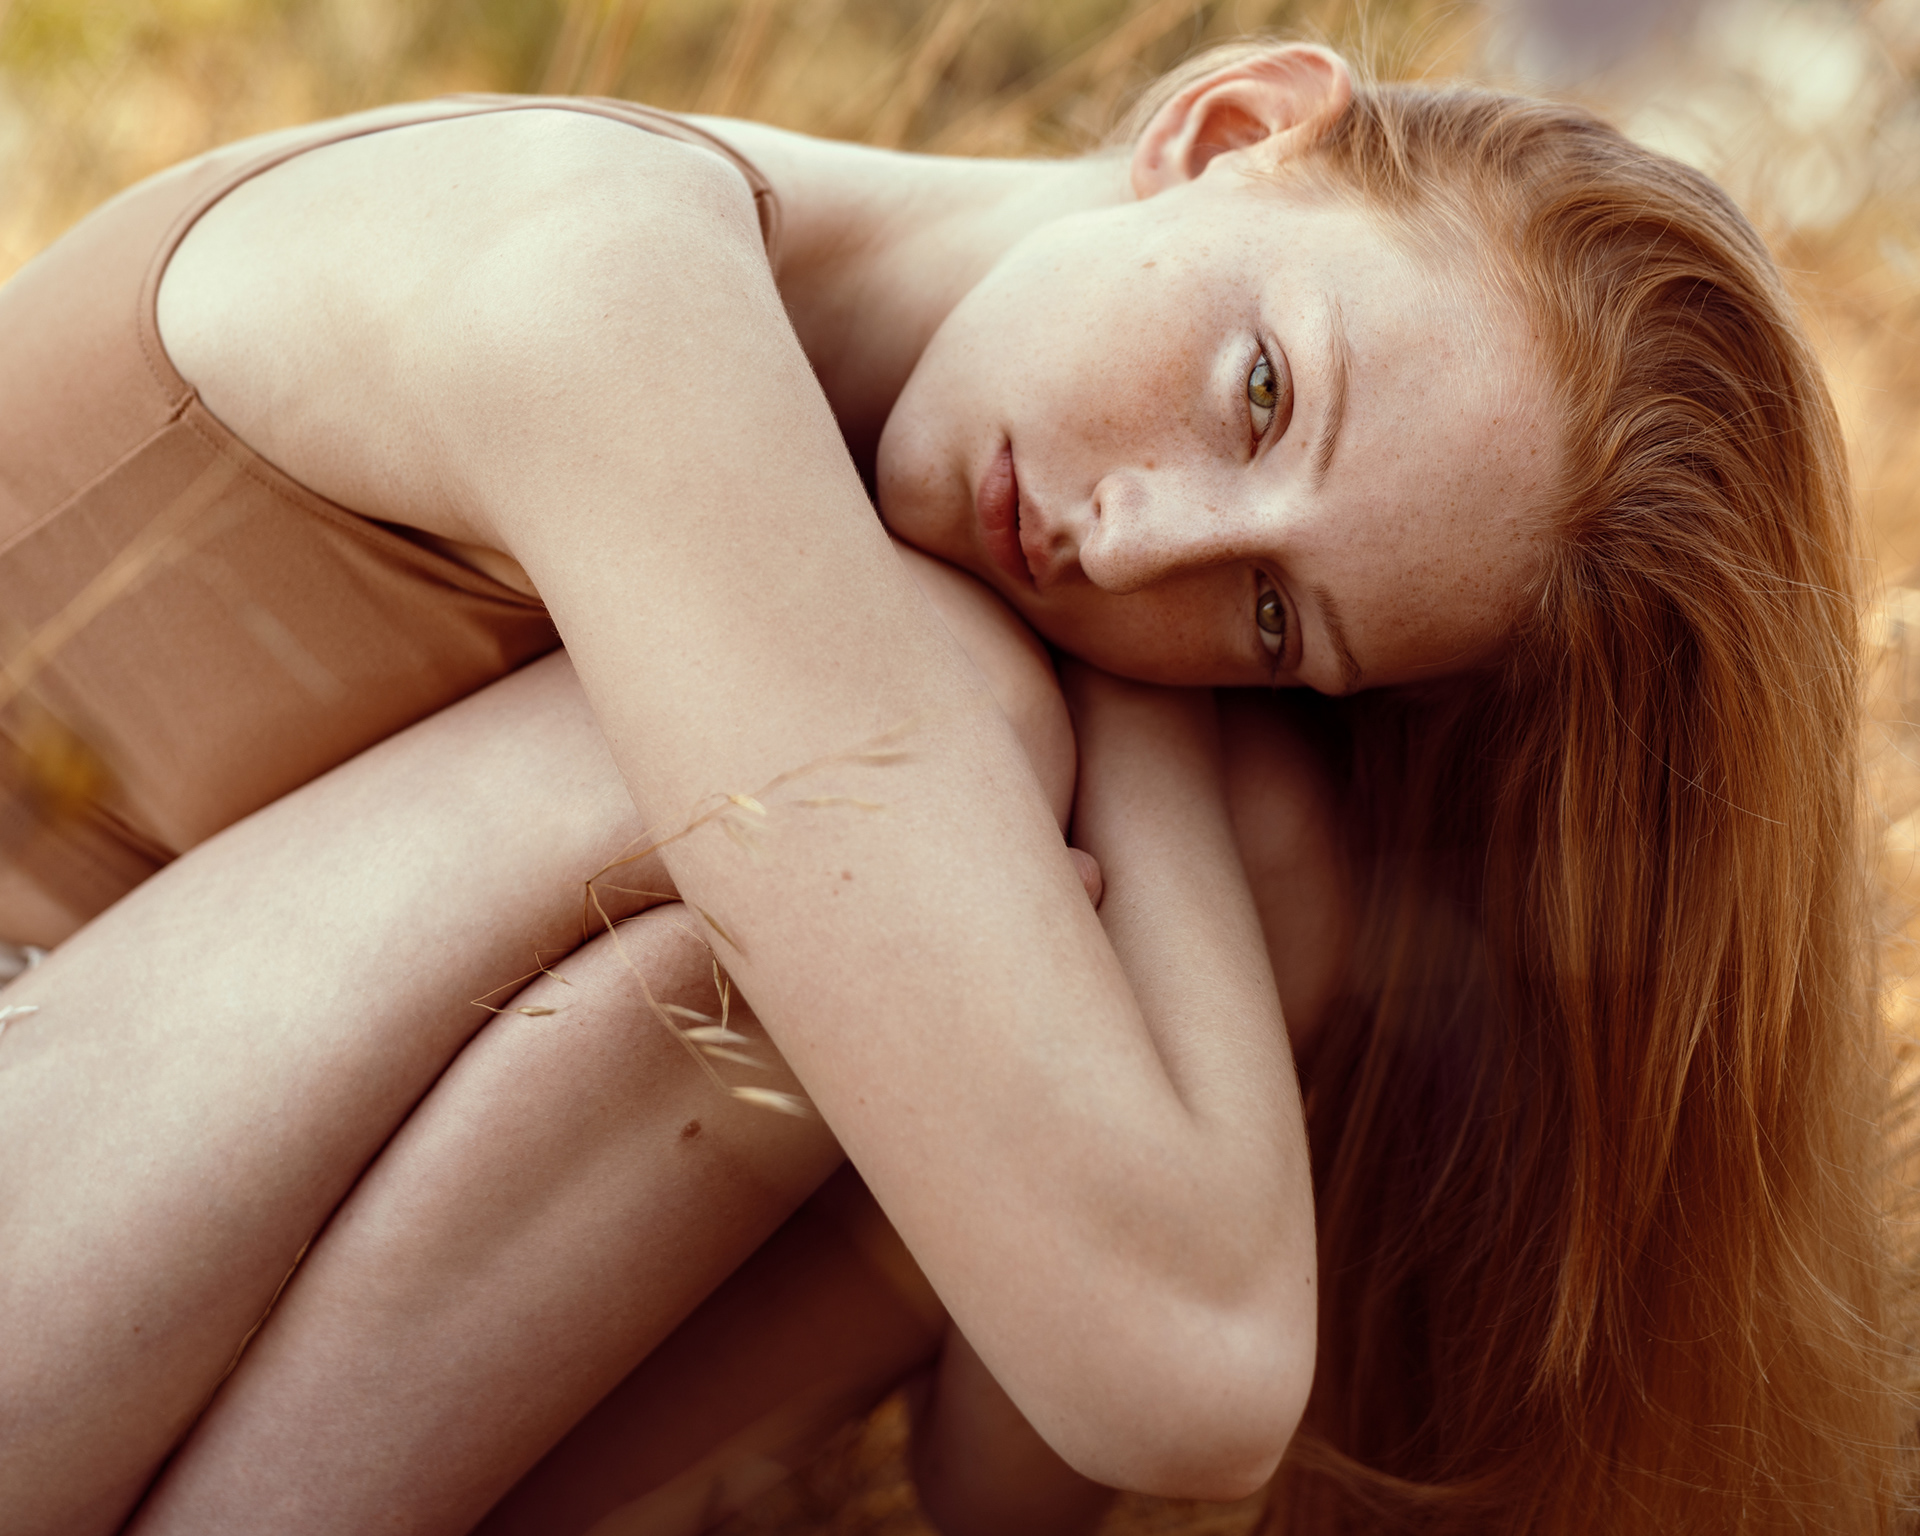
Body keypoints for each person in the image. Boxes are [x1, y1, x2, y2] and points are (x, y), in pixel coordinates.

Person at [0, 32, 1903, 1534]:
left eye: (1269, 615)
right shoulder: (593, 279)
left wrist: (1216, 790)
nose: (1135, 542)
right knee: (904, 764)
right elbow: (1190, 1365)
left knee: (828, 930)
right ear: (1232, 124)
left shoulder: (997, 655)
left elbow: (1005, 1487)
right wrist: (1142, 707)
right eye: (1258, 390)